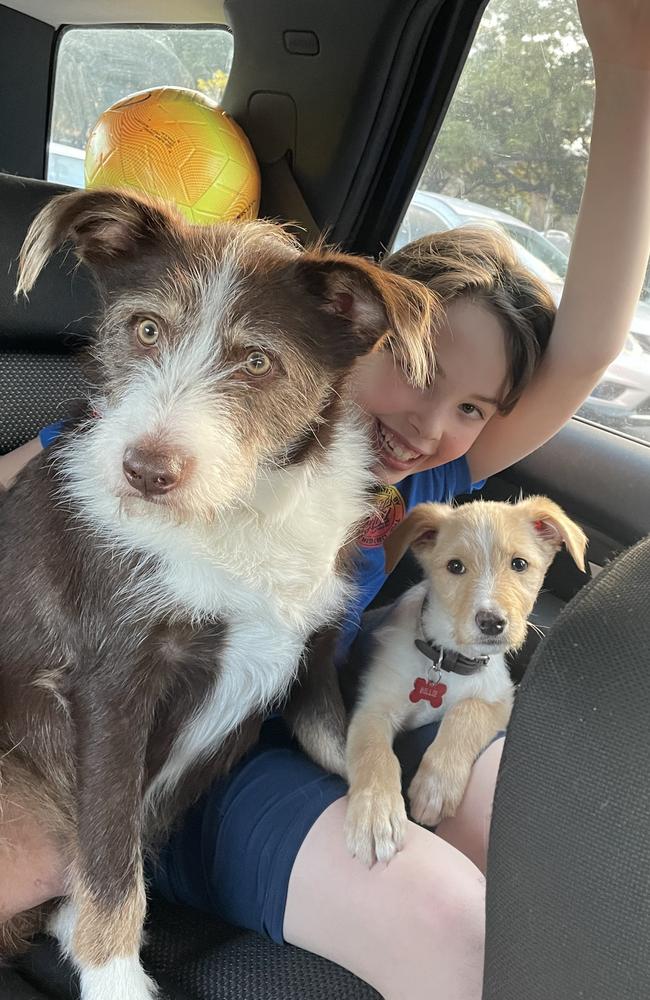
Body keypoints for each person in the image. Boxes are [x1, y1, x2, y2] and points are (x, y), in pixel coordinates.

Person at [1, 1, 650, 996]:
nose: (432, 424)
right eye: (416, 375)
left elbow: (586, 347)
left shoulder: (423, 476)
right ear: (347, 338)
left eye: (472, 407)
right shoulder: (177, 435)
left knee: (533, 858)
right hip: (138, 748)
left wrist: (627, 61)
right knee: (447, 924)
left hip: (276, 731)